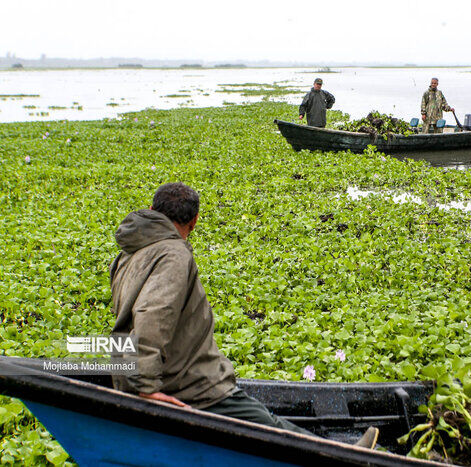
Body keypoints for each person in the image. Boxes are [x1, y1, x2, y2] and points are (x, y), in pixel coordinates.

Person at [109, 182, 378, 448]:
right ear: (194, 222)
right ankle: (339, 455)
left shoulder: (129, 253)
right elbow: (152, 315)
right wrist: (146, 386)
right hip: (188, 385)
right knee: (266, 424)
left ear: (152, 209)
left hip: (133, 373)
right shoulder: (174, 254)